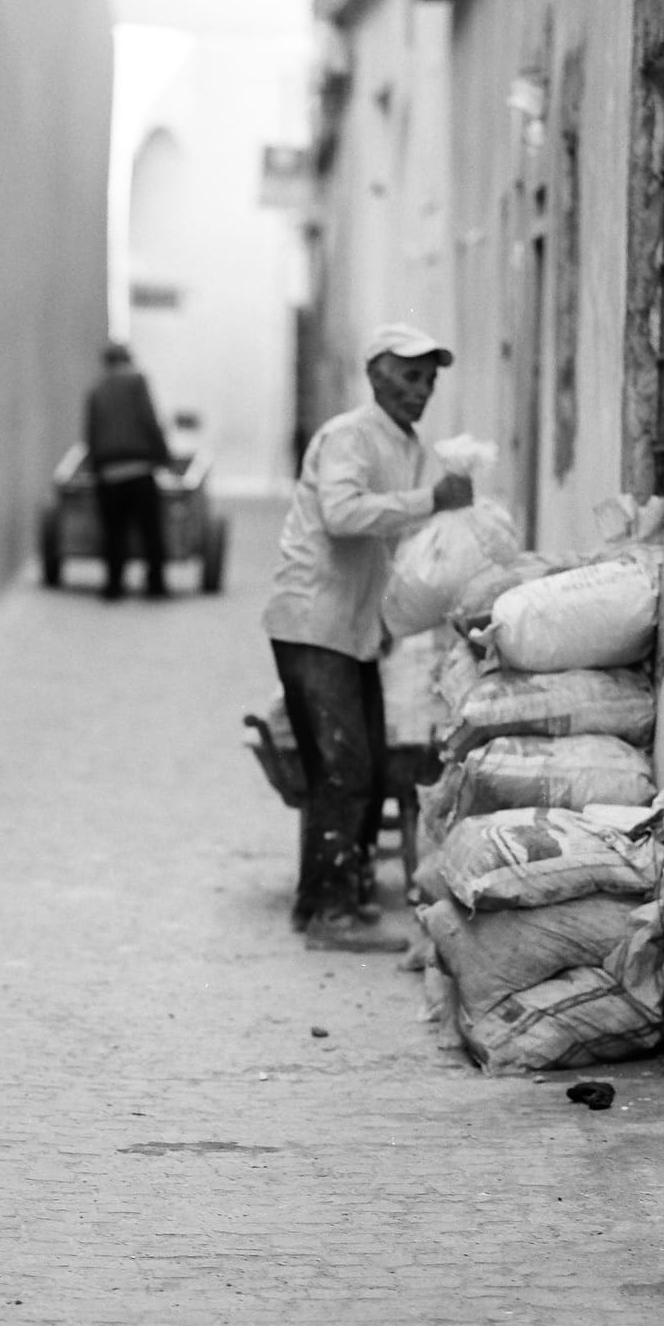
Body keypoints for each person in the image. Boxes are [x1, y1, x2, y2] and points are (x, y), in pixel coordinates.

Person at [262, 321, 473, 953]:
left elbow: (386, 544)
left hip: (350, 628)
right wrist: (430, 501)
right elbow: (342, 513)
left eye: (428, 380)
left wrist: (388, 618)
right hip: (313, 621)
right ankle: (331, 914)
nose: (421, 390)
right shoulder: (349, 436)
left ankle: (321, 901)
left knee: (364, 769)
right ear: (376, 376)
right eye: (410, 376)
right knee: (345, 770)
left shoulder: (405, 445)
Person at [84, 340, 173, 601]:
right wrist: (163, 455)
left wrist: (95, 466)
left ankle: (114, 585)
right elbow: (149, 419)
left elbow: (91, 431)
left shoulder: (96, 388)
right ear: (128, 359)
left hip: (109, 474)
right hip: (139, 470)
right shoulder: (137, 382)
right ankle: (155, 585)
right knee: (150, 530)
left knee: (114, 532)